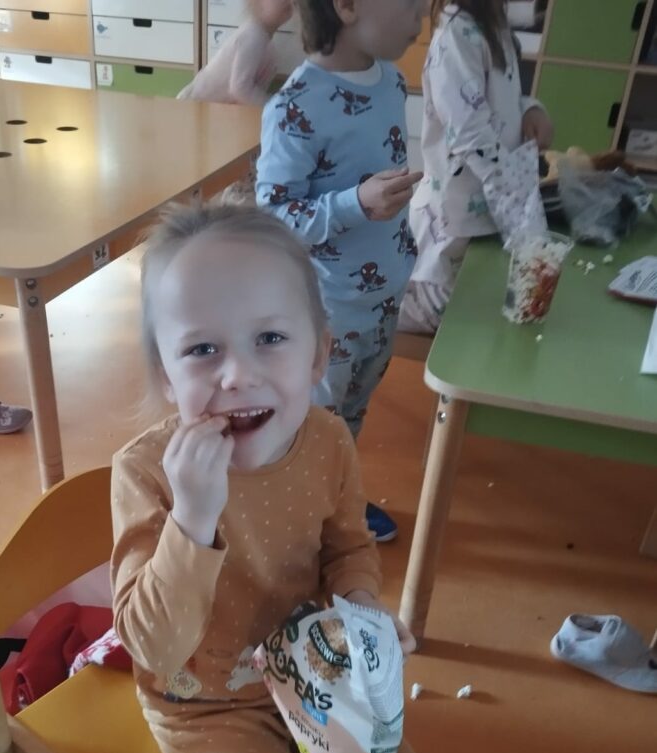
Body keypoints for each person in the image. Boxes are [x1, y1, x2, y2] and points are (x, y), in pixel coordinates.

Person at [111, 203, 438, 753]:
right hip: (204, 707)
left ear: (320, 352)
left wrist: (360, 609)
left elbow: (347, 547)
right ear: (165, 377)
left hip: (314, 682)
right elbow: (151, 648)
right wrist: (193, 517)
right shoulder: (148, 474)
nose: (236, 374)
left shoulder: (326, 440)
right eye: (201, 350)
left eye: (269, 339)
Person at [255, 0, 425, 543]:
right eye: (410, 3)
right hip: (329, 310)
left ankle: (331, 499)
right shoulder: (296, 106)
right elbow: (273, 214)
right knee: (313, 423)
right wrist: (355, 203)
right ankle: (294, 522)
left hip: (383, 296)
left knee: (350, 414)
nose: (422, 16)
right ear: (347, 7)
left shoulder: (392, 81)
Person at [398, 0, 554, 334]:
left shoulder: (493, 24)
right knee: (450, 318)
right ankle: (386, 313)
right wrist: (518, 206)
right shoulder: (455, 33)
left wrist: (530, 108)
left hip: (486, 213)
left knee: (484, 303)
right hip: (453, 220)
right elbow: (468, 133)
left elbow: (498, 100)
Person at [178, 0, 294, 106]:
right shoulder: (253, 36)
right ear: (257, 3)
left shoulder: (266, 44)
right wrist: (274, 105)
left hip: (215, 109)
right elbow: (240, 88)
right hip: (194, 106)